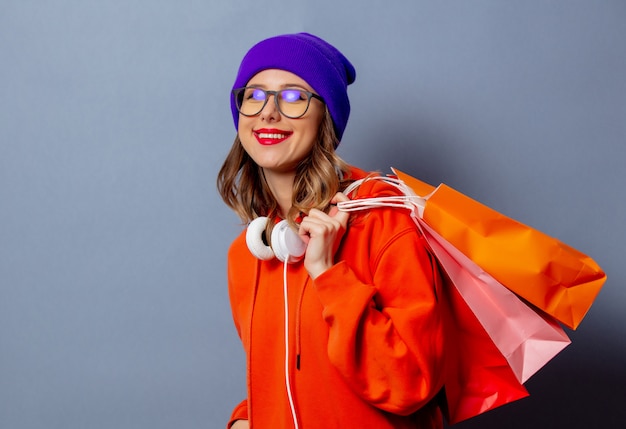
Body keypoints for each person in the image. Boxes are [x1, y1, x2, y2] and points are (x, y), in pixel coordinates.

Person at [217, 33, 445, 429]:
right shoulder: (250, 251)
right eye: (255, 95)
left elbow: (411, 385)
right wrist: (246, 419)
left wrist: (327, 274)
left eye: (293, 97)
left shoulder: (382, 219)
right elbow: (292, 380)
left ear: (327, 118)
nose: (269, 112)